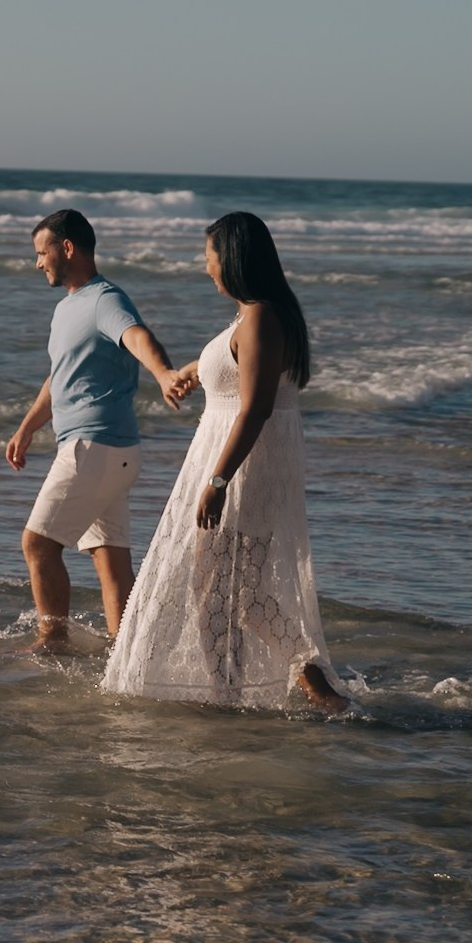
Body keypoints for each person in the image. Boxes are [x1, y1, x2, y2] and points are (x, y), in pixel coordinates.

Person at [102, 212, 349, 712]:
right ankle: (243, 690)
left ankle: (306, 688)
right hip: (238, 464)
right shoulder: (252, 314)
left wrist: (217, 480)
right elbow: (238, 367)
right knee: (219, 591)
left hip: (244, 470)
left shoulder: (260, 316)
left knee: (230, 593)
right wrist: (196, 369)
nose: (206, 267)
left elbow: (256, 407)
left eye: (210, 257)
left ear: (233, 258)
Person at [6, 209, 178, 654]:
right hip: (110, 452)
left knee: (38, 544)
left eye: (42, 253)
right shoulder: (68, 309)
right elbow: (59, 376)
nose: (38, 263)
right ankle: (128, 653)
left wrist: (162, 374)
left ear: (67, 248)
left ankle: (52, 641)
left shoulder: (105, 300)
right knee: (110, 559)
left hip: (95, 446)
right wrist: (27, 428)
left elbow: (138, 337)